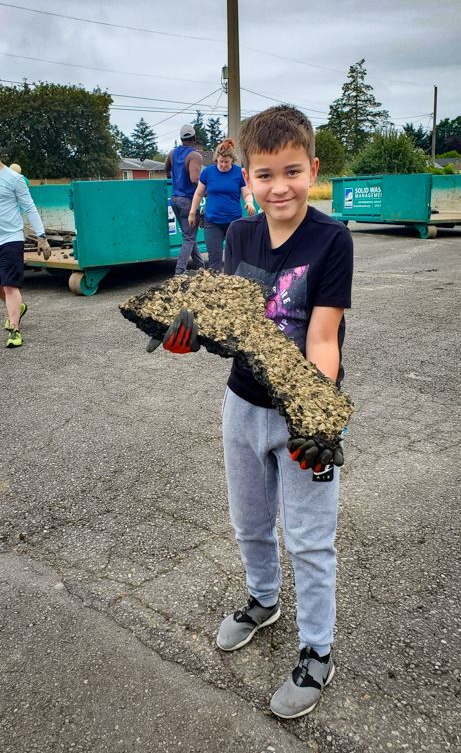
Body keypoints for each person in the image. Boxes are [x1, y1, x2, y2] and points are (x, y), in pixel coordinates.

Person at [152, 105, 353, 719]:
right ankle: (262, 601)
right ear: (247, 180)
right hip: (241, 405)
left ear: (312, 169)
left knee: (312, 540)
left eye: (292, 171)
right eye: (265, 175)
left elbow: (322, 339)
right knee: (249, 522)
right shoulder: (238, 236)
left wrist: (316, 419)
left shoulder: (332, 240)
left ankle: (317, 650)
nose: (279, 186)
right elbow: (223, 321)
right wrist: (190, 334)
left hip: (302, 410)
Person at [0, 159, 51, 347]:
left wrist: (41, 236)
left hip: (11, 238)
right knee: (2, 285)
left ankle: (15, 330)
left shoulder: (14, 179)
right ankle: (18, 308)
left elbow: (29, 207)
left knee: (10, 285)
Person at [188, 138, 255, 271]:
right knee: (214, 259)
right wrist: (192, 212)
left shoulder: (238, 173)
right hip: (212, 221)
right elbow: (198, 194)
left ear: (232, 160)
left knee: (235, 257)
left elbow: (246, 193)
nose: (224, 165)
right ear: (216, 159)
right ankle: (216, 287)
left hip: (234, 222)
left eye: (227, 162)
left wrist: (249, 202)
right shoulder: (208, 172)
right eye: (221, 161)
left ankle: (233, 285)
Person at [165, 125, 205, 275]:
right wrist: (204, 192)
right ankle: (179, 273)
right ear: (194, 138)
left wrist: (175, 180)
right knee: (189, 238)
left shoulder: (172, 153)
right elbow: (195, 178)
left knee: (190, 235)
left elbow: (166, 169)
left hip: (175, 199)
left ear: (182, 139)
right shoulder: (195, 156)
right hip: (188, 201)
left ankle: (201, 269)